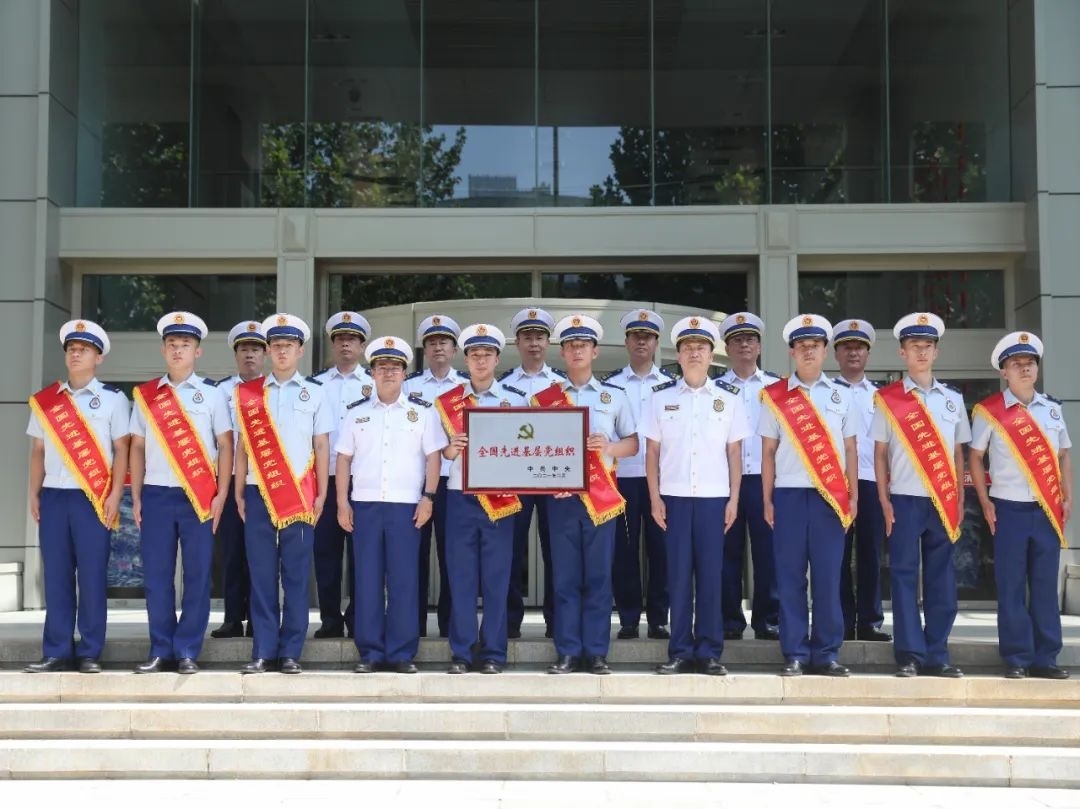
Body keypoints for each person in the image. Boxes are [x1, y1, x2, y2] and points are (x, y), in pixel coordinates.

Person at [644, 316, 749, 676]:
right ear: (678, 354)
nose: (694, 353)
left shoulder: (727, 399)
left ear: (711, 354)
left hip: (713, 499)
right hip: (673, 498)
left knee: (710, 577)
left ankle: (708, 652)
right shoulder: (661, 398)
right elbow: (652, 452)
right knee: (677, 577)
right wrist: (654, 498)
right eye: (687, 347)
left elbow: (735, 452)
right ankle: (679, 650)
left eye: (701, 347)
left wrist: (734, 500)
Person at [24, 320, 130, 674]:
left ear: (98, 357)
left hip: (93, 499)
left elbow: (121, 450)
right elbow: (38, 451)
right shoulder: (47, 401)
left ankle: (89, 651)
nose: (75, 354)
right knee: (56, 575)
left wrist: (115, 494)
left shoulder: (114, 400)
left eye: (83, 349)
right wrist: (34, 493)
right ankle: (56, 650)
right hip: (54, 496)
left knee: (92, 576)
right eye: (71, 348)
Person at [129, 312, 232, 674]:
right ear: (163, 349)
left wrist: (221, 493)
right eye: (171, 344)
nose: (177, 350)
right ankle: (161, 649)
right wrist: (137, 495)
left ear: (197, 351)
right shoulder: (147, 396)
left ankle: (187, 648)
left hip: (198, 496)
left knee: (197, 575)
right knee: (157, 576)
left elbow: (225, 445)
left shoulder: (213, 394)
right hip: (156, 493)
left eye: (185, 344)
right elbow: (137, 447)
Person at [337, 336, 445, 674]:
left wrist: (428, 498)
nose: (388, 373)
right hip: (365, 505)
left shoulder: (422, 412)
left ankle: (401, 652)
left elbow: (434, 457)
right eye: (382, 367)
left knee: (404, 581)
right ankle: (370, 652)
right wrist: (342, 502)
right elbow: (343, 459)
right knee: (367, 581)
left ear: (404, 373)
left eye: (395, 367)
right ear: (371, 372)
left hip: (406, 507)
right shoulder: (356, 413)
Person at [760, 314, 859, 677]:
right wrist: (767, 499)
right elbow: (768, 452)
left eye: (814, 346)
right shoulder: (775, 397)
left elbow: (851, 449)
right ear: (792, 352)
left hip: (830, 497)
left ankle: (827, 652)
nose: (808, 352)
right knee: (790, 578)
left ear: (825, 351)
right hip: (788, 495)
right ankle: (796, 652)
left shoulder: (841, 395)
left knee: (828, 578)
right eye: (801, 346)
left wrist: (852, 496)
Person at [969, 331, 1072, 680]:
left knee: (1044, 586)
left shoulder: (1052, 409)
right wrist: (984, 500)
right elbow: (975, 457)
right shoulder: (990, 412)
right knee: (1011, 585)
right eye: (1017, 364)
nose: (1025, 368)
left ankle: (1046, 658)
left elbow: (1063, 455)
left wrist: (1067, 495)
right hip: (1008, 509)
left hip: (1045, 509)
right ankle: (1017, 657)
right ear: (1004, 372)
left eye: (1030, 363)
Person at [873, 312, 970, 678]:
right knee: (903, 575)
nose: (922, 352)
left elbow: (958, 452)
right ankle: (909, 654)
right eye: (915, 346)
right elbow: (880, 453)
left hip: (942, 499)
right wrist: (883, 499)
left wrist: (959, 496)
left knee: (941, 578)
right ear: (903, 353)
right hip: (904, 497)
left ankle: (937, 653)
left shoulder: (952, 400)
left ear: (936, 352)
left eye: (928, 346)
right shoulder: (888, 399)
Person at [539, 314, 638, 675]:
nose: (577, 350)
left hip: (601, 498)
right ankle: (567, 650)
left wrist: (609, 447)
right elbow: (534, 448)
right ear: (562, 353)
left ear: (595, 352)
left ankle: (596, 651)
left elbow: (633, 444)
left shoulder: (615, 396)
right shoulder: (545, 398)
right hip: (561, 499)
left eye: (583, 345)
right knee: (565, 578)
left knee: (598, 577)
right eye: (570, 345)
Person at [235, 313, 332, 674]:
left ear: (300, 351)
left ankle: (291, 650)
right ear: (268, 351)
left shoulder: (316, 392)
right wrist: (239, 490)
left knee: (295, 573)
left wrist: (322, 494)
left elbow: (322, 446)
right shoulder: (248, 394)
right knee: (261, 574)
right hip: (257, 491)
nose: (281, 351)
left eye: (288, 345)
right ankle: (263, 649)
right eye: (275, 345)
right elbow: (243, 445)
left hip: (301, 493)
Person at [439, 324, 528, 673]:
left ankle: (493, 652)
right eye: (474, 354)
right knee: (461, 577)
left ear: (497, 359)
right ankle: (462, 653)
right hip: (460, 495)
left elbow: (528, 449)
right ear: (466, 359)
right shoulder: (448, 401)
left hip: (501, 496)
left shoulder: (516, 400)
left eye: (487, 354)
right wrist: (451, 448)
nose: (480, 360)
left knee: (497, 578)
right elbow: (438, 452)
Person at [604, 308, 672, 640]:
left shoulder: (671, 385)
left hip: (662, 479)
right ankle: (629, 618)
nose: (641, 342)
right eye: (635, 336)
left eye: (648, 337)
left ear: (656, 342)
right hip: (623, 477)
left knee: (662, 549)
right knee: (624, 550)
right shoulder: (611, 385)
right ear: (627, 342)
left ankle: (659, 618)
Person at [403, 314, 468, 638]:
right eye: (432, 343)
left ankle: (449, 625)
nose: (438, 347)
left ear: (455, 349)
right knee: (414, 555)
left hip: (456, 482)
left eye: (444, 342)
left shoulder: (467, 386)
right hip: (417, 482)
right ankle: (412, 625)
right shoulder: (409, 386)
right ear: (425, 350)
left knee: (452, 556)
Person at [718, 312, 780, 641]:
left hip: (764, 481)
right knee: (726, 553)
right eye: (737, 340)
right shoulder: (714, 388)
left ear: (759, 347)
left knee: (768, 553)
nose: (744, 344)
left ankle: (768, 620)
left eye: (750, 339)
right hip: (725, 482)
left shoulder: (777, 387)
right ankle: (729, 621)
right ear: (727, 348)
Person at [500, 307, 561, 638]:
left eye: (539, 337)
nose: (534, 343)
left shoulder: (563, 385)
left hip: (554, 477)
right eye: (527, 337)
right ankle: (510, 621)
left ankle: (557, 620)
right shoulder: (503, 385)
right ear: (517, 343)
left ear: (548, 343)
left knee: (557, 551)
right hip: (514, 478)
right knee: (511, 550)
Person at [310, 310, 371, 639]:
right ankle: (330, 619)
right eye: (340, 339)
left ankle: (359, 617)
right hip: (325, 480)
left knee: (363, 554)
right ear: (333, 345)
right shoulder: (315, 385)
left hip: (364, 481)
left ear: (362, 346)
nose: (346, 344)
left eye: (352, 339)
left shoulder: (374, 383)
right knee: (326, 553)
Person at [832, 319, 891, 642]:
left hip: (871, 482)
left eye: (859, 348)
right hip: (834, 483)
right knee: (837, 556)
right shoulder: (826, 393)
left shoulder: (883, 396)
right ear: (836, 354)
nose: (853, 353)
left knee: (871, 554)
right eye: (846, 347)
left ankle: (870, 622)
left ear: (868, 354)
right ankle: (841, 621)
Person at [210, 321, 266, 639]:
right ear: (236, 354)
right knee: (231, 551)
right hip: (229, 479)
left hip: (266, 481)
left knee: (261, 554)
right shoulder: (220, 391)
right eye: (244, 349)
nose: (250, 354)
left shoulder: (274, 389)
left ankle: (259, 618)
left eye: (256, 349)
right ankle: (232, 617)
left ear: (265, 354)